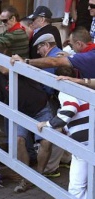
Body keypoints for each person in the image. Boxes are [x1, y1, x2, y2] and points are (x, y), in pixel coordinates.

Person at [0, 6, 53, 193]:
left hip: (40, 108)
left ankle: (38, 174)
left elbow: (9, 64)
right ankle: (26, 178)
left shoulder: (17, 63)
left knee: (46, 142)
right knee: (19, 141)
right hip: (20, 111)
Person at [37, 66, 90, 199]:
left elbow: (71, 108)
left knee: (76, 188)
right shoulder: (83, 90)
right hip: (90, 138)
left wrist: (49, 124)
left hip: (83, 144)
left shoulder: (66, 91)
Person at [32, 34, 65, 178]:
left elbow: (48, 88)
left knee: (55, 130)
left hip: (55, 100)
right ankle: (65, 159)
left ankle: (51, 167)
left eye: (39, 48)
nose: (38, 52)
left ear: (46, 45)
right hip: (65, 99)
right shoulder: (60, 53)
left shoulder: (51, 59)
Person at [11, 27, 95, 79]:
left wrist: (26, 61)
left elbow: (53, 62)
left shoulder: (85, 57)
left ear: (79, 44)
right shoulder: (88, 54)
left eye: (71, 45)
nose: (71, 48)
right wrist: (72, 56)